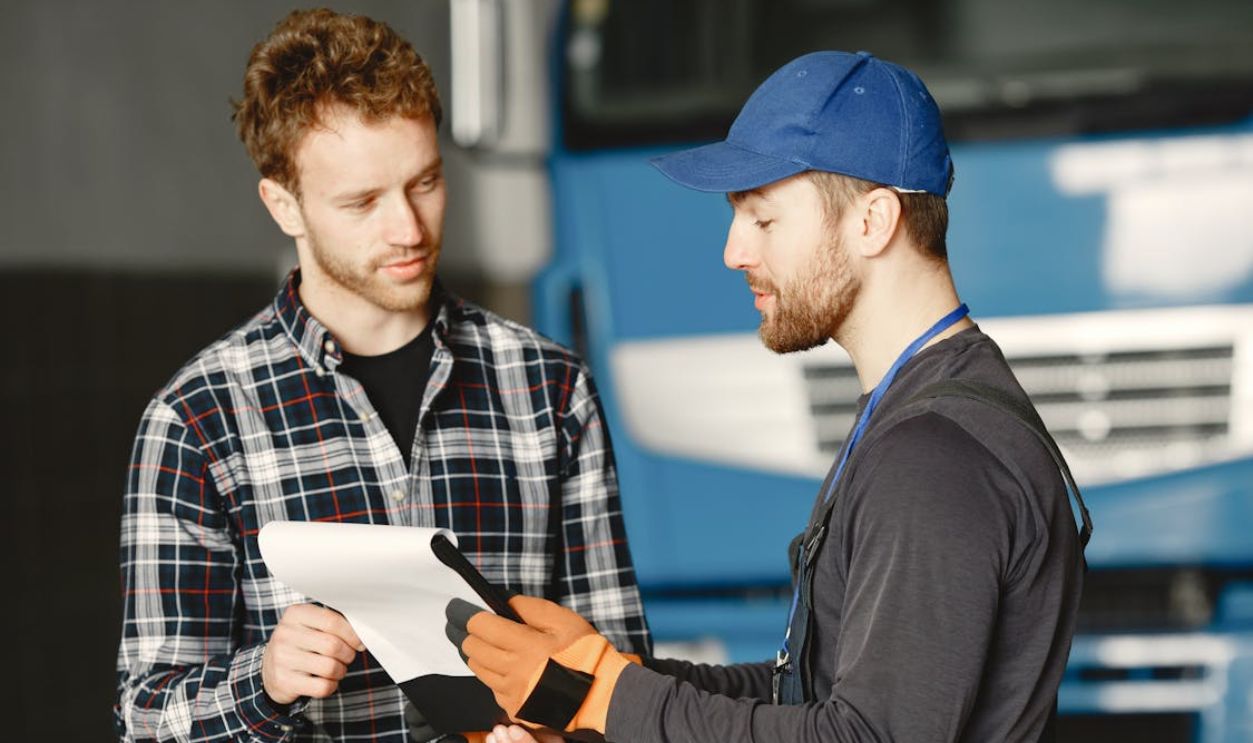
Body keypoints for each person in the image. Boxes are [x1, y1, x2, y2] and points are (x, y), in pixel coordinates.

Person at [452, 51, 1088, 743]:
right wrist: (606, 675)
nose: (732, 250)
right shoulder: (922, 409)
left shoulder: (930, 458)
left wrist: (608, 699)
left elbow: (863, 737)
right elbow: (808, 691)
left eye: (763, 219)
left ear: (872, 221)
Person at [113, 9, 650, 742]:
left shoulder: (548, 386)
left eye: (424, 182)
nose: (408, 228)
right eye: (362, 202)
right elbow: (146, 719)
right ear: (284, 205)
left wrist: (563, 734)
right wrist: (262, 682)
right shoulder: (197, 421)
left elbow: (621, 674)